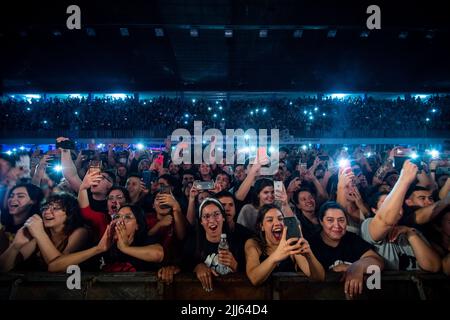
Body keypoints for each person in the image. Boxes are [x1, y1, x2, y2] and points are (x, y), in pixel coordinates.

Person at [361, 161, 441, 272]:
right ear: (375, 210)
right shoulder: (368, 225)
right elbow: (385, 220)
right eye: (386, 203)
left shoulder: (412, 230)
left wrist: (410, 234)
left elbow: (433, 267)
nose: (395, 206)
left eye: (397, 202)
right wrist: (404, 179)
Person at [48, 204, 164, 272]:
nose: (120, 221)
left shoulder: (145, 241)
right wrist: (98, 249)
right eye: (118, 216)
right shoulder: (104, 245)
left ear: (138, 225)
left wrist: (124, 248)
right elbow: (54, 266)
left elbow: (158, 254)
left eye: (127, 217)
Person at [309, 201, 384, 298]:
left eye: (341, 220)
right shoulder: (311, 244)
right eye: (330, 220)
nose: (337, 225)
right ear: (321, 222)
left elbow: (378, 262)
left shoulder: (351, 239)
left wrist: (356, 267)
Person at [0, 193, 88, 271]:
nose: (47, 212)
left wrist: (39, 233)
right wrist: (15, 245)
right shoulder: (41, 234)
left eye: (55, 208)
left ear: (69, 213)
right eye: (45, 208)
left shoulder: (80, 232)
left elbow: (59, 266)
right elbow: (4, 268)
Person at [245, 204, 325, 286]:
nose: (277, 223)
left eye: (280, 219)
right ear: (261, 226)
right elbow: (254, 279)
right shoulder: (253, 243)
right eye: (270, 220)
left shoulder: (292, 244)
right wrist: (276, 255)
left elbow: (319, 278)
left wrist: (309, 254)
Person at [78, 171, 130, 241]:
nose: (114, 200)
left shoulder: (134, 218)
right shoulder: (101, 218)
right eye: (110, 198)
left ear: (127, 201)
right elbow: (86, 212)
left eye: (119, 197)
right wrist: (83, 187)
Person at [0, 183, 44, 252]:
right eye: (11, 196)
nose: (12, 199)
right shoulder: (2, 221)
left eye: (20, 196)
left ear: (33, 201)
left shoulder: (33, 229)